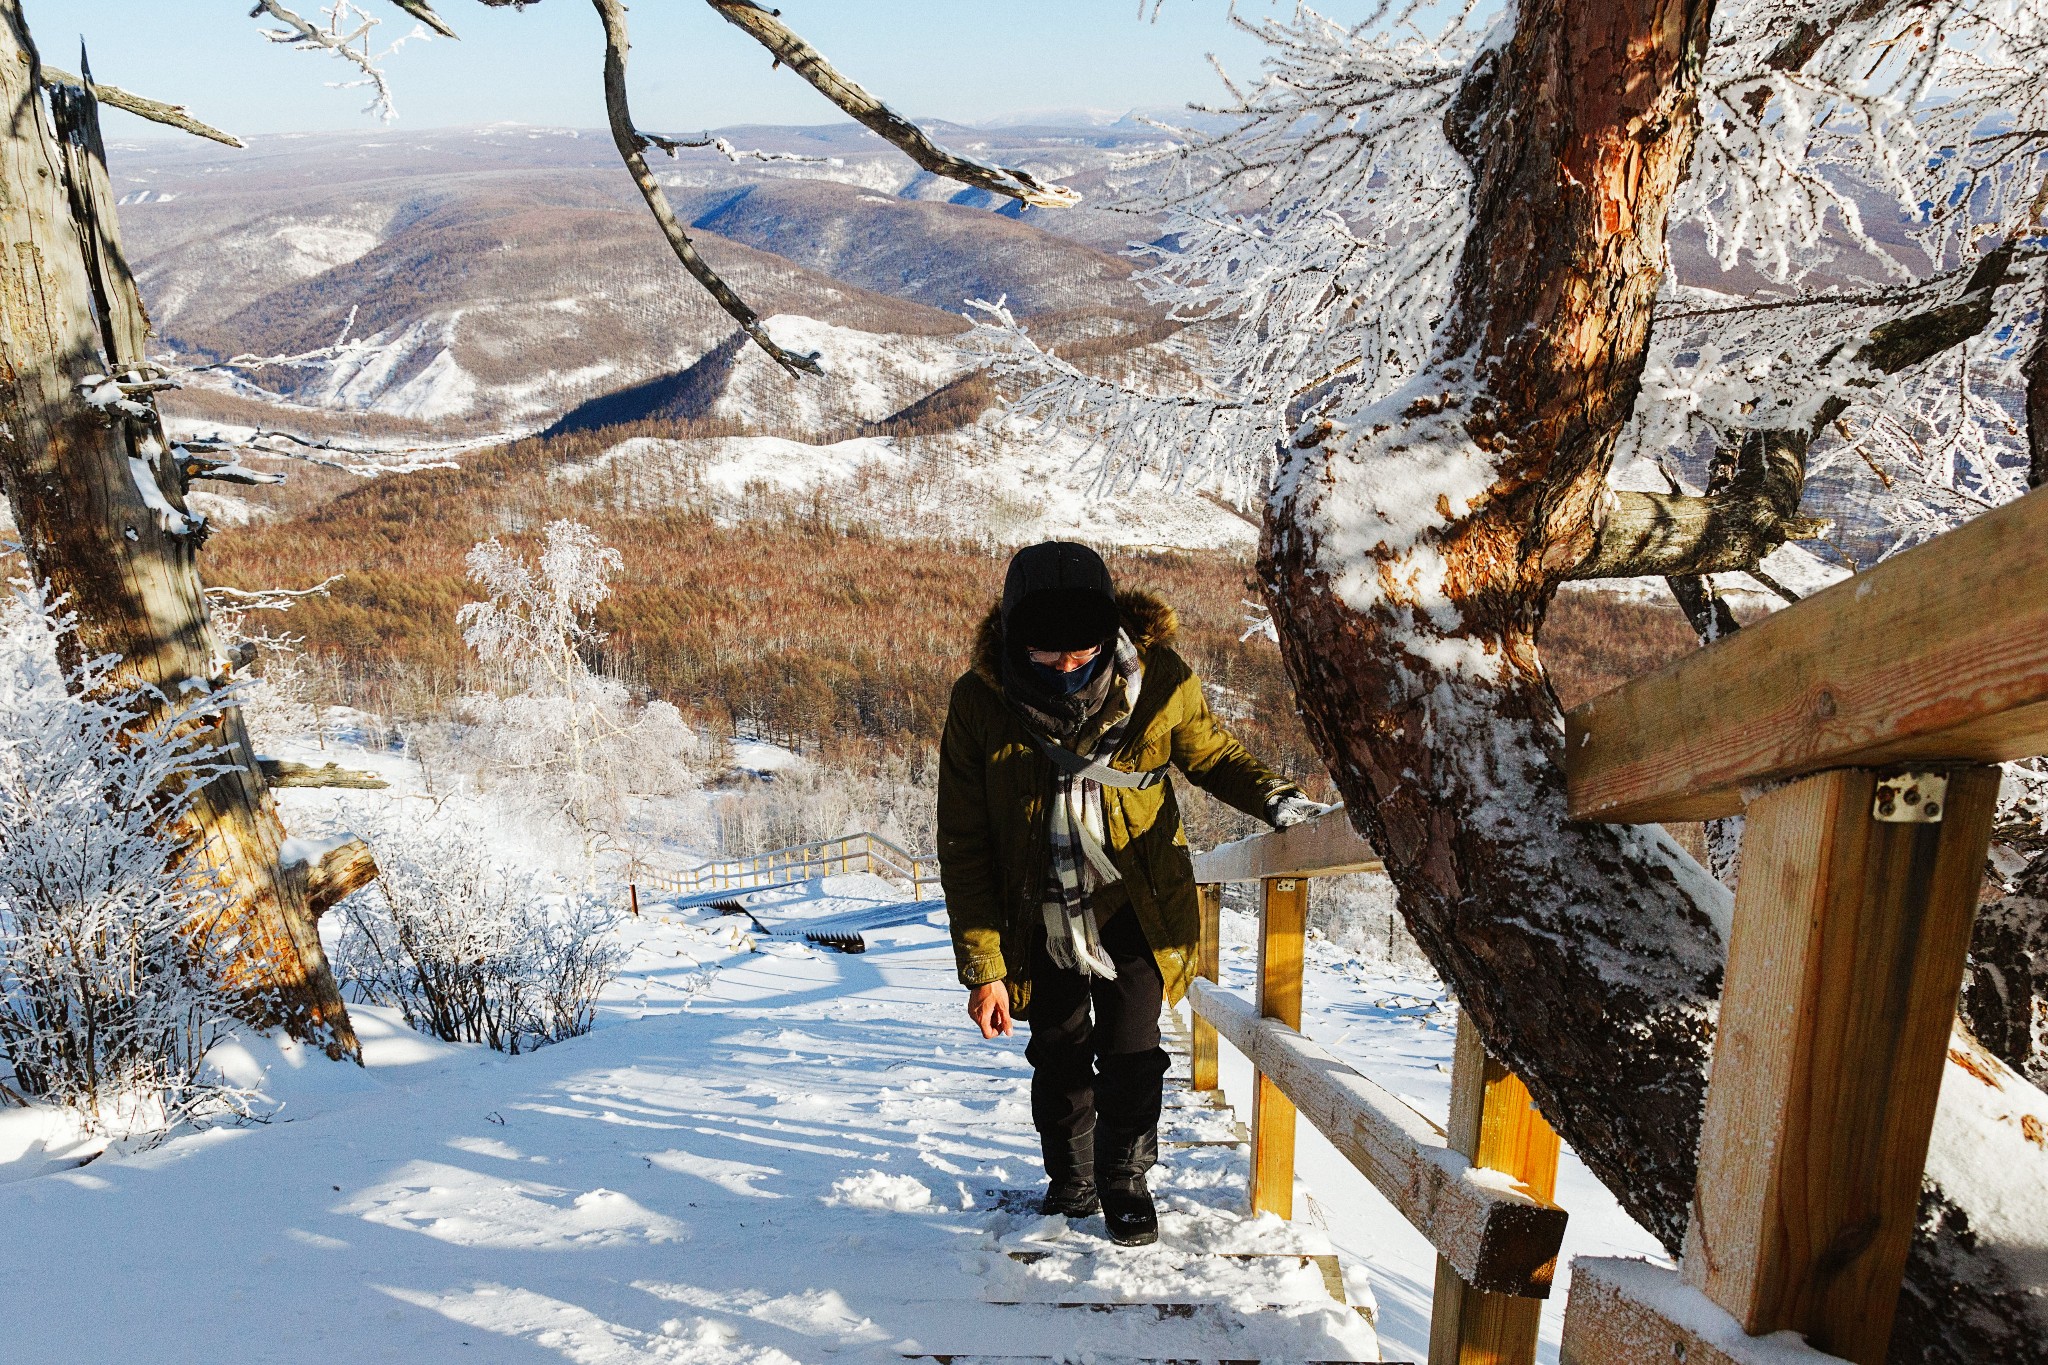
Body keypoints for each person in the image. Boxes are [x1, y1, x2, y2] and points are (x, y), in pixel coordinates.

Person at [936, 541, 1325, 1246]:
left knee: (1131, 1048)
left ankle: (1123, 1176)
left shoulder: (1160, 681)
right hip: (1038, 911)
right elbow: (963, 842)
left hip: (1137, 901)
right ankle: (1072, 1177)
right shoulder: (979, 702)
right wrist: (985, 966)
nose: (1065, 668)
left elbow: (1212, 754)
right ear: (1014, 638)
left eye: (1080, 654)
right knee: (1056, 1050)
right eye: (1046, 656)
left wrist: (1278, 801)